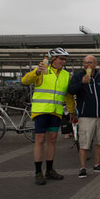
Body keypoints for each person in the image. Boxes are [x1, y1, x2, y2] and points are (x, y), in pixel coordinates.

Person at [21, 47, 75, 185]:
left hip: (55, 112)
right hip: (41, 111)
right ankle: (38, 172)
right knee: (40, 139)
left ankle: (49, 170)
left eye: (65, 59)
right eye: (61, 59)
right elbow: (25, 81)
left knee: (52, 139)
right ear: (53, 59)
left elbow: (68, 95)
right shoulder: (42, 70)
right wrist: (37, 71)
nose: (64, 61)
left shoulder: (65, 75)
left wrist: (72, 110)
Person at [67, 55, 100, 178]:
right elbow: (70, 90)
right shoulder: (78, 76)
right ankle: (82, 167)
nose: (87, 65)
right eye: (85, 62)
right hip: (86, 116)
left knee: (99, 141)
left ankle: (97, 164)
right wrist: (82, 82)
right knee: (84, 142)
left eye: (90, 62)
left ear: (96, 64)